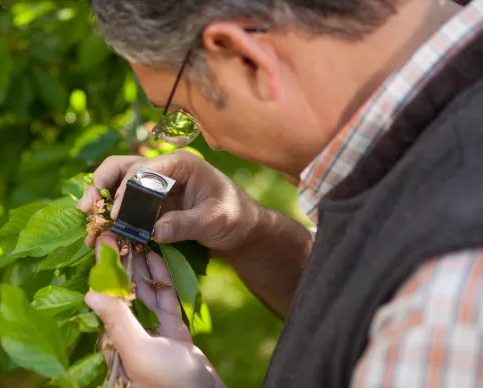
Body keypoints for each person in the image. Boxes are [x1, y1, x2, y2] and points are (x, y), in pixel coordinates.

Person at [76, 0, 483, 386]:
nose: (213, 143)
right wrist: (250, 234)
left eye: (185, 112)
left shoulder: (443, 313)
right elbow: (364, 304)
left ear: (246, 57)